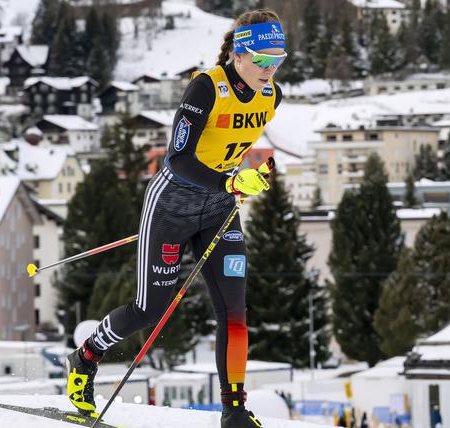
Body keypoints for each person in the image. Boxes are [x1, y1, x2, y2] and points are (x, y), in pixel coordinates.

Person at [64, 8, 287, 428]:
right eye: (262, 60)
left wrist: (255, 176)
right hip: (170, 207)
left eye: (279, 60)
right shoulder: (207, 88)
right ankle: (85, 357)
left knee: (235, 310)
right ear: (240, 54)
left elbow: (237, 151)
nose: (270, 69)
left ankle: (234, 409)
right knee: (150, 310)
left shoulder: (272, 95)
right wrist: (230, 184)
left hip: (220, 210)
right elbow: (179, 158)